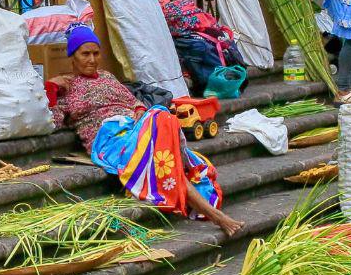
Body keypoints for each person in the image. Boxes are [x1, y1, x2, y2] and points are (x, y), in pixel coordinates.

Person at [47, 24, 243, 236]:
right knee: (161, 127)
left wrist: (140, 111)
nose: (92, 60)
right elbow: (53, 120)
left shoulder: (107, 77)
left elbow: (134, 102)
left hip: (135, 129)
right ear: (72, 57)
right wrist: (51, 88)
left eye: (96, 53)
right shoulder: (66, 87)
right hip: (110, 140)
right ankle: (216, 216)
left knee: (160, 121)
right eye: (85, 54)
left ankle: (209, 211)